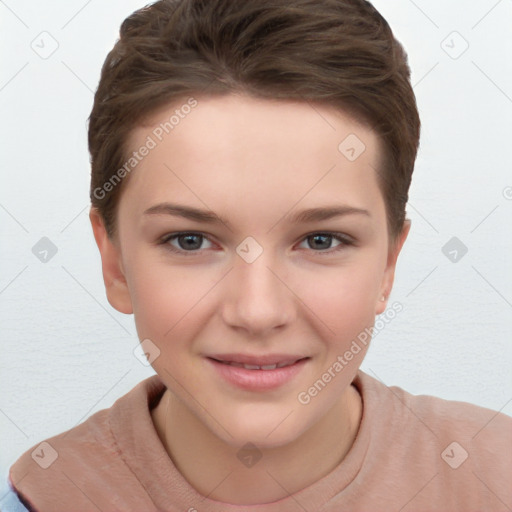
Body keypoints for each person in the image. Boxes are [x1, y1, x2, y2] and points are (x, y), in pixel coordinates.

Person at [2, 0, 511, 510]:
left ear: (387, 266)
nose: (257, 311)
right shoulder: (41, 497)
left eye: (321, 241)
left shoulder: (495, 474)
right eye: (190, 241)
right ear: (114, 263)